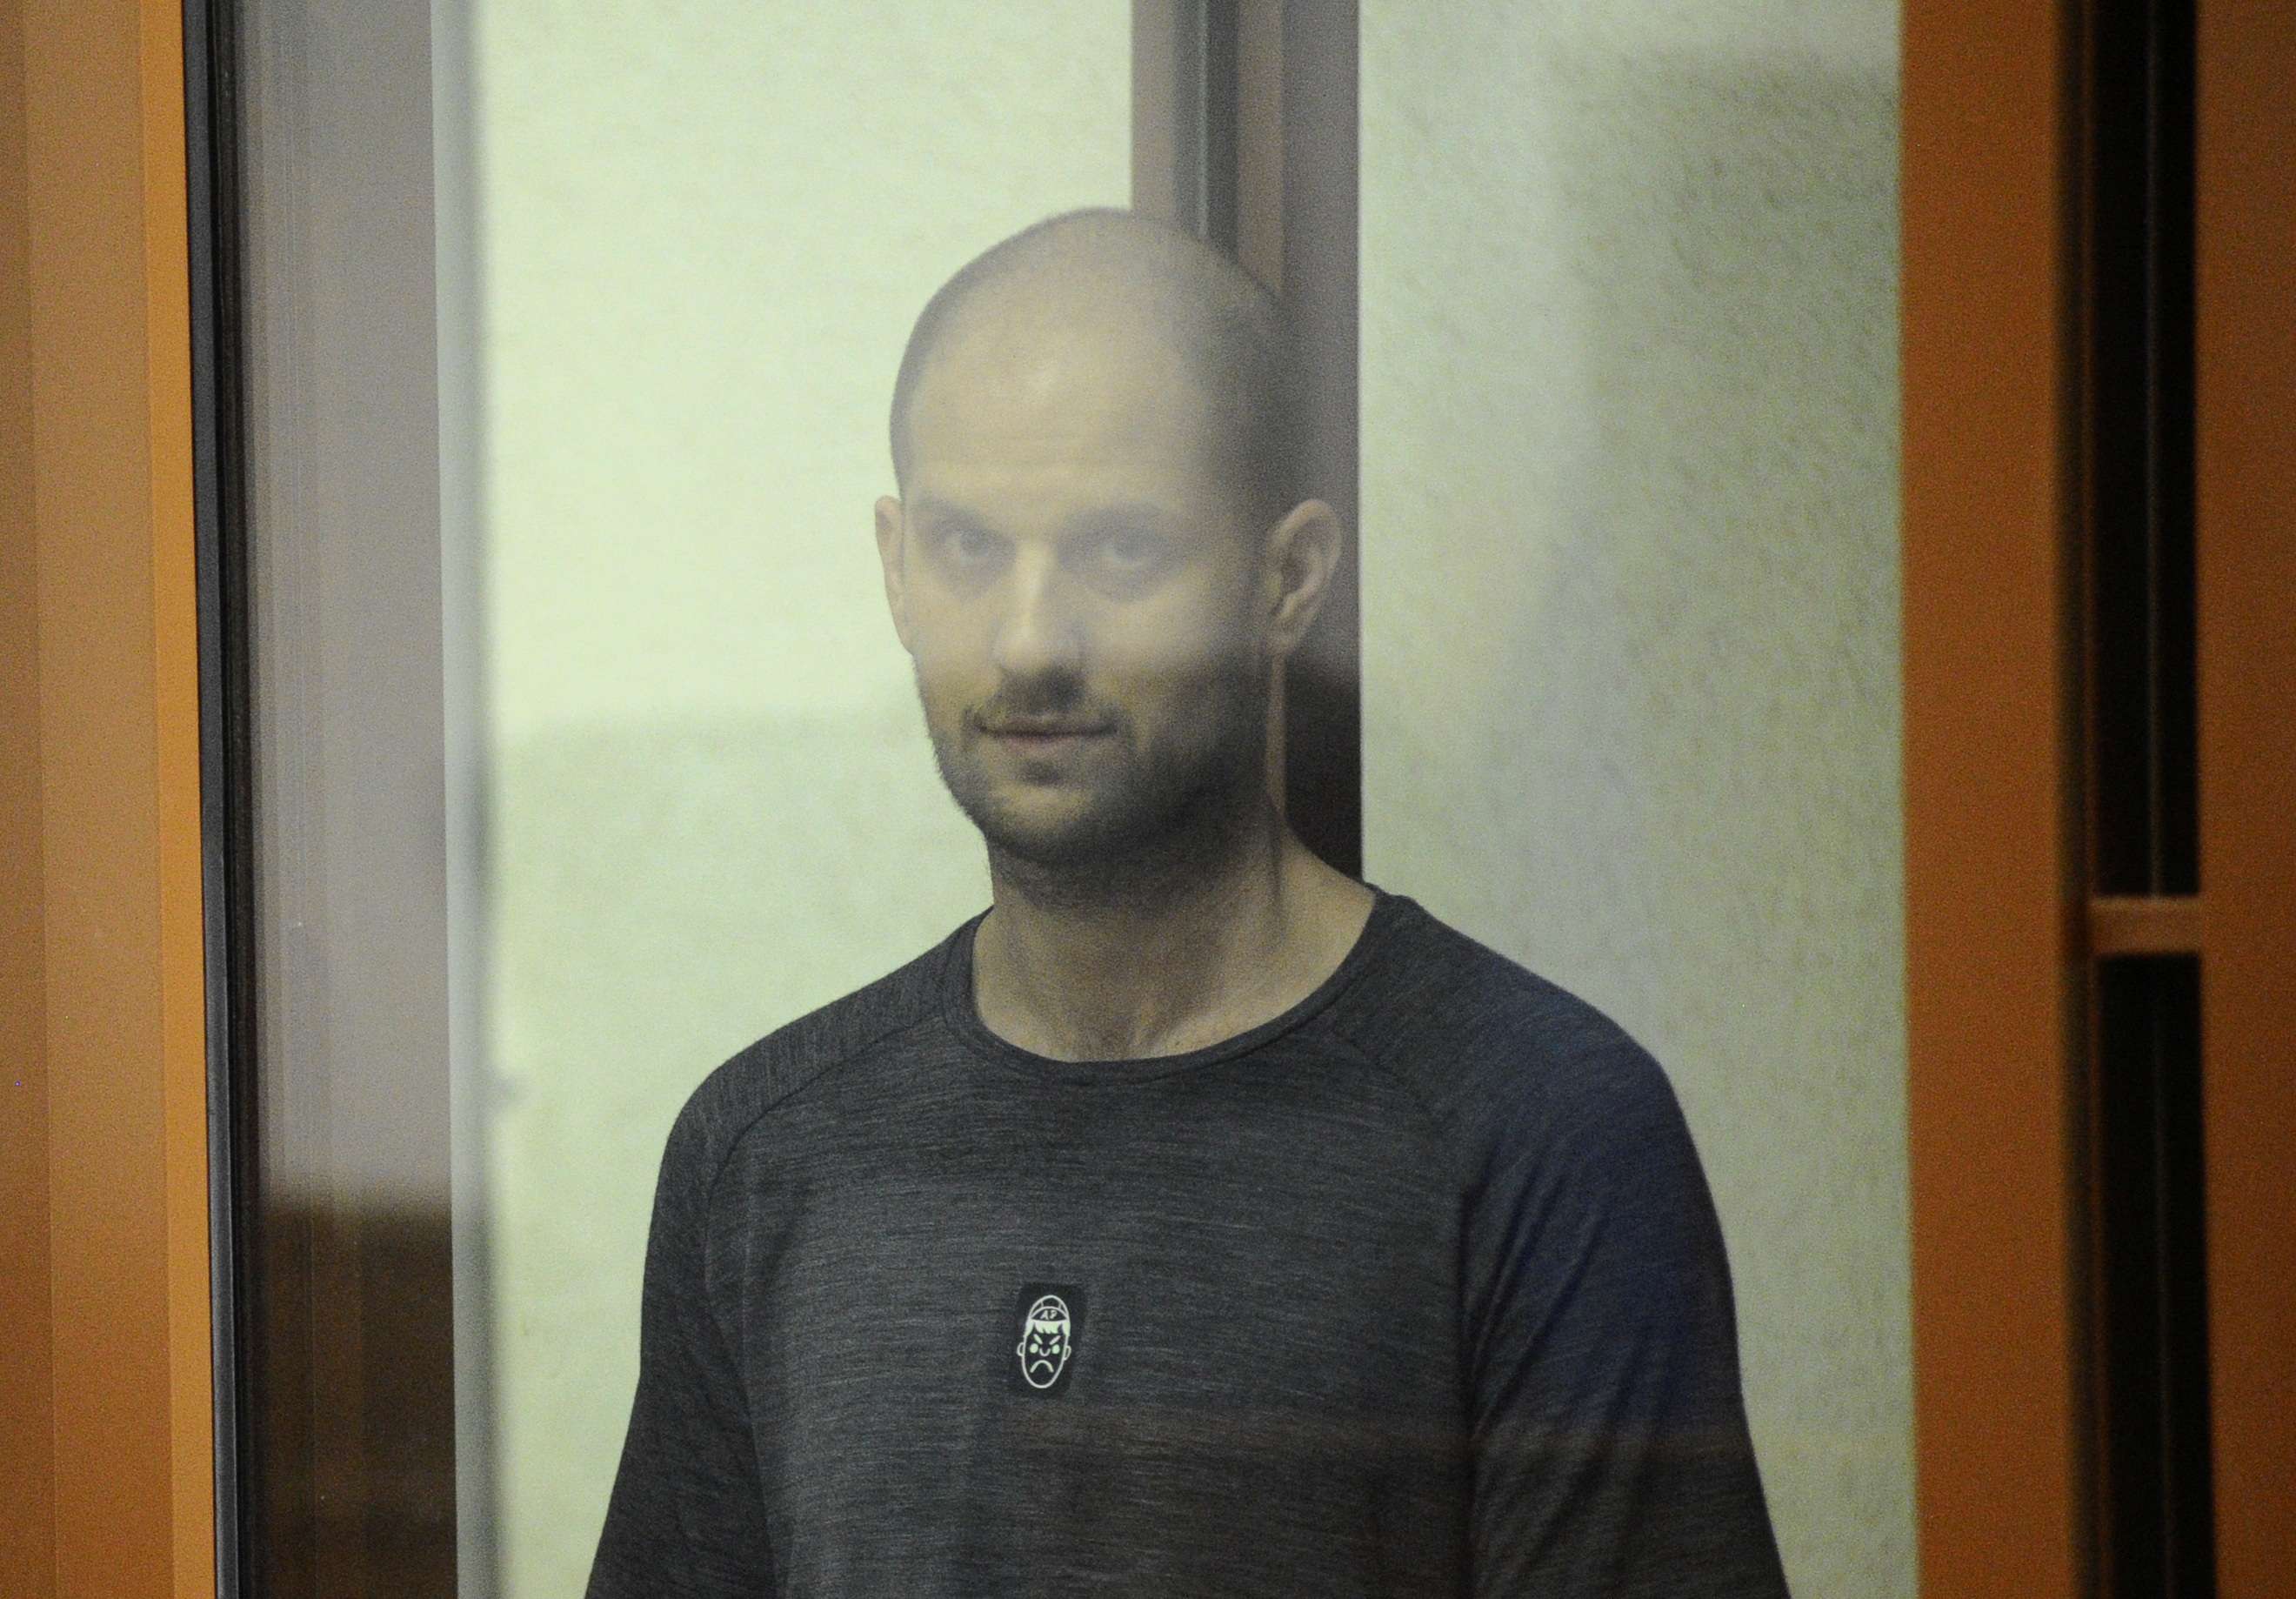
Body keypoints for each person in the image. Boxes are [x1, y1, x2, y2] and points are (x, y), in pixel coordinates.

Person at [587, 209, 1788, 1597]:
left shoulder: (1535, 1129)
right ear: (896, 566)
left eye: (1118, 551)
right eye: (969, 547)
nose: (1030, 641)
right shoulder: (764, 1151)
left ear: (1289, 580)